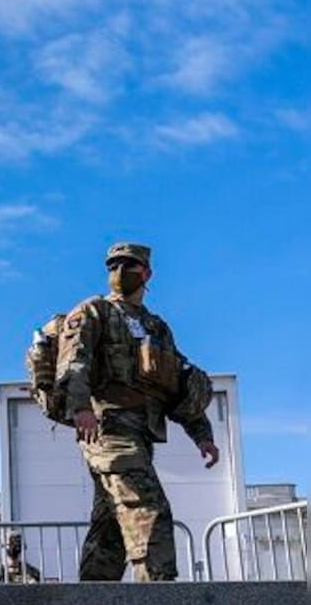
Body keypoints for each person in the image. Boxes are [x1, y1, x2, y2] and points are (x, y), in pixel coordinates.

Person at [57, 242, 219, 581]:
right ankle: (159, 603)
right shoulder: (94, 311)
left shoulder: (156, 328)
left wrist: (202, 436)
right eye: (112, 265)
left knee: (110, 528)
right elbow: (73, 361)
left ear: (146, 273)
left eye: (127, 265)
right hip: (107, 430)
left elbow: (175, 385)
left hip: (141, 433)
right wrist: (80, 407)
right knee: (148, 509)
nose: (119, 271)